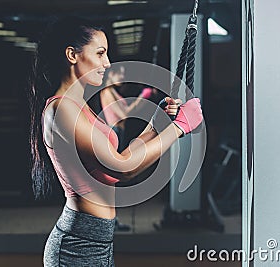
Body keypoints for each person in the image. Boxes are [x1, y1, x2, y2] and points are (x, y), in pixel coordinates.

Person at [29, 17, 203, 267]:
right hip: (77, 244)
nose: (107, 63)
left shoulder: (78, 107)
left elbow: (123, 153)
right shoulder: (61, 109)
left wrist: (156, 124)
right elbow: (123, 167)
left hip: (99, 240)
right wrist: (179, 127)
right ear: (72, 55)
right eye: (100, 54)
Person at [99, 64, 155, 152]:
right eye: (120, 73)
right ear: (111, 74)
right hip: (114, 130)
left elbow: (130, 111)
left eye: (123, 74)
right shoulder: (107, 92)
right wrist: (142, 97)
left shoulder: (113, 92)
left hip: (119, 130)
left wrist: (142, 99)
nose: (122, 76)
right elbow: (124, 114)